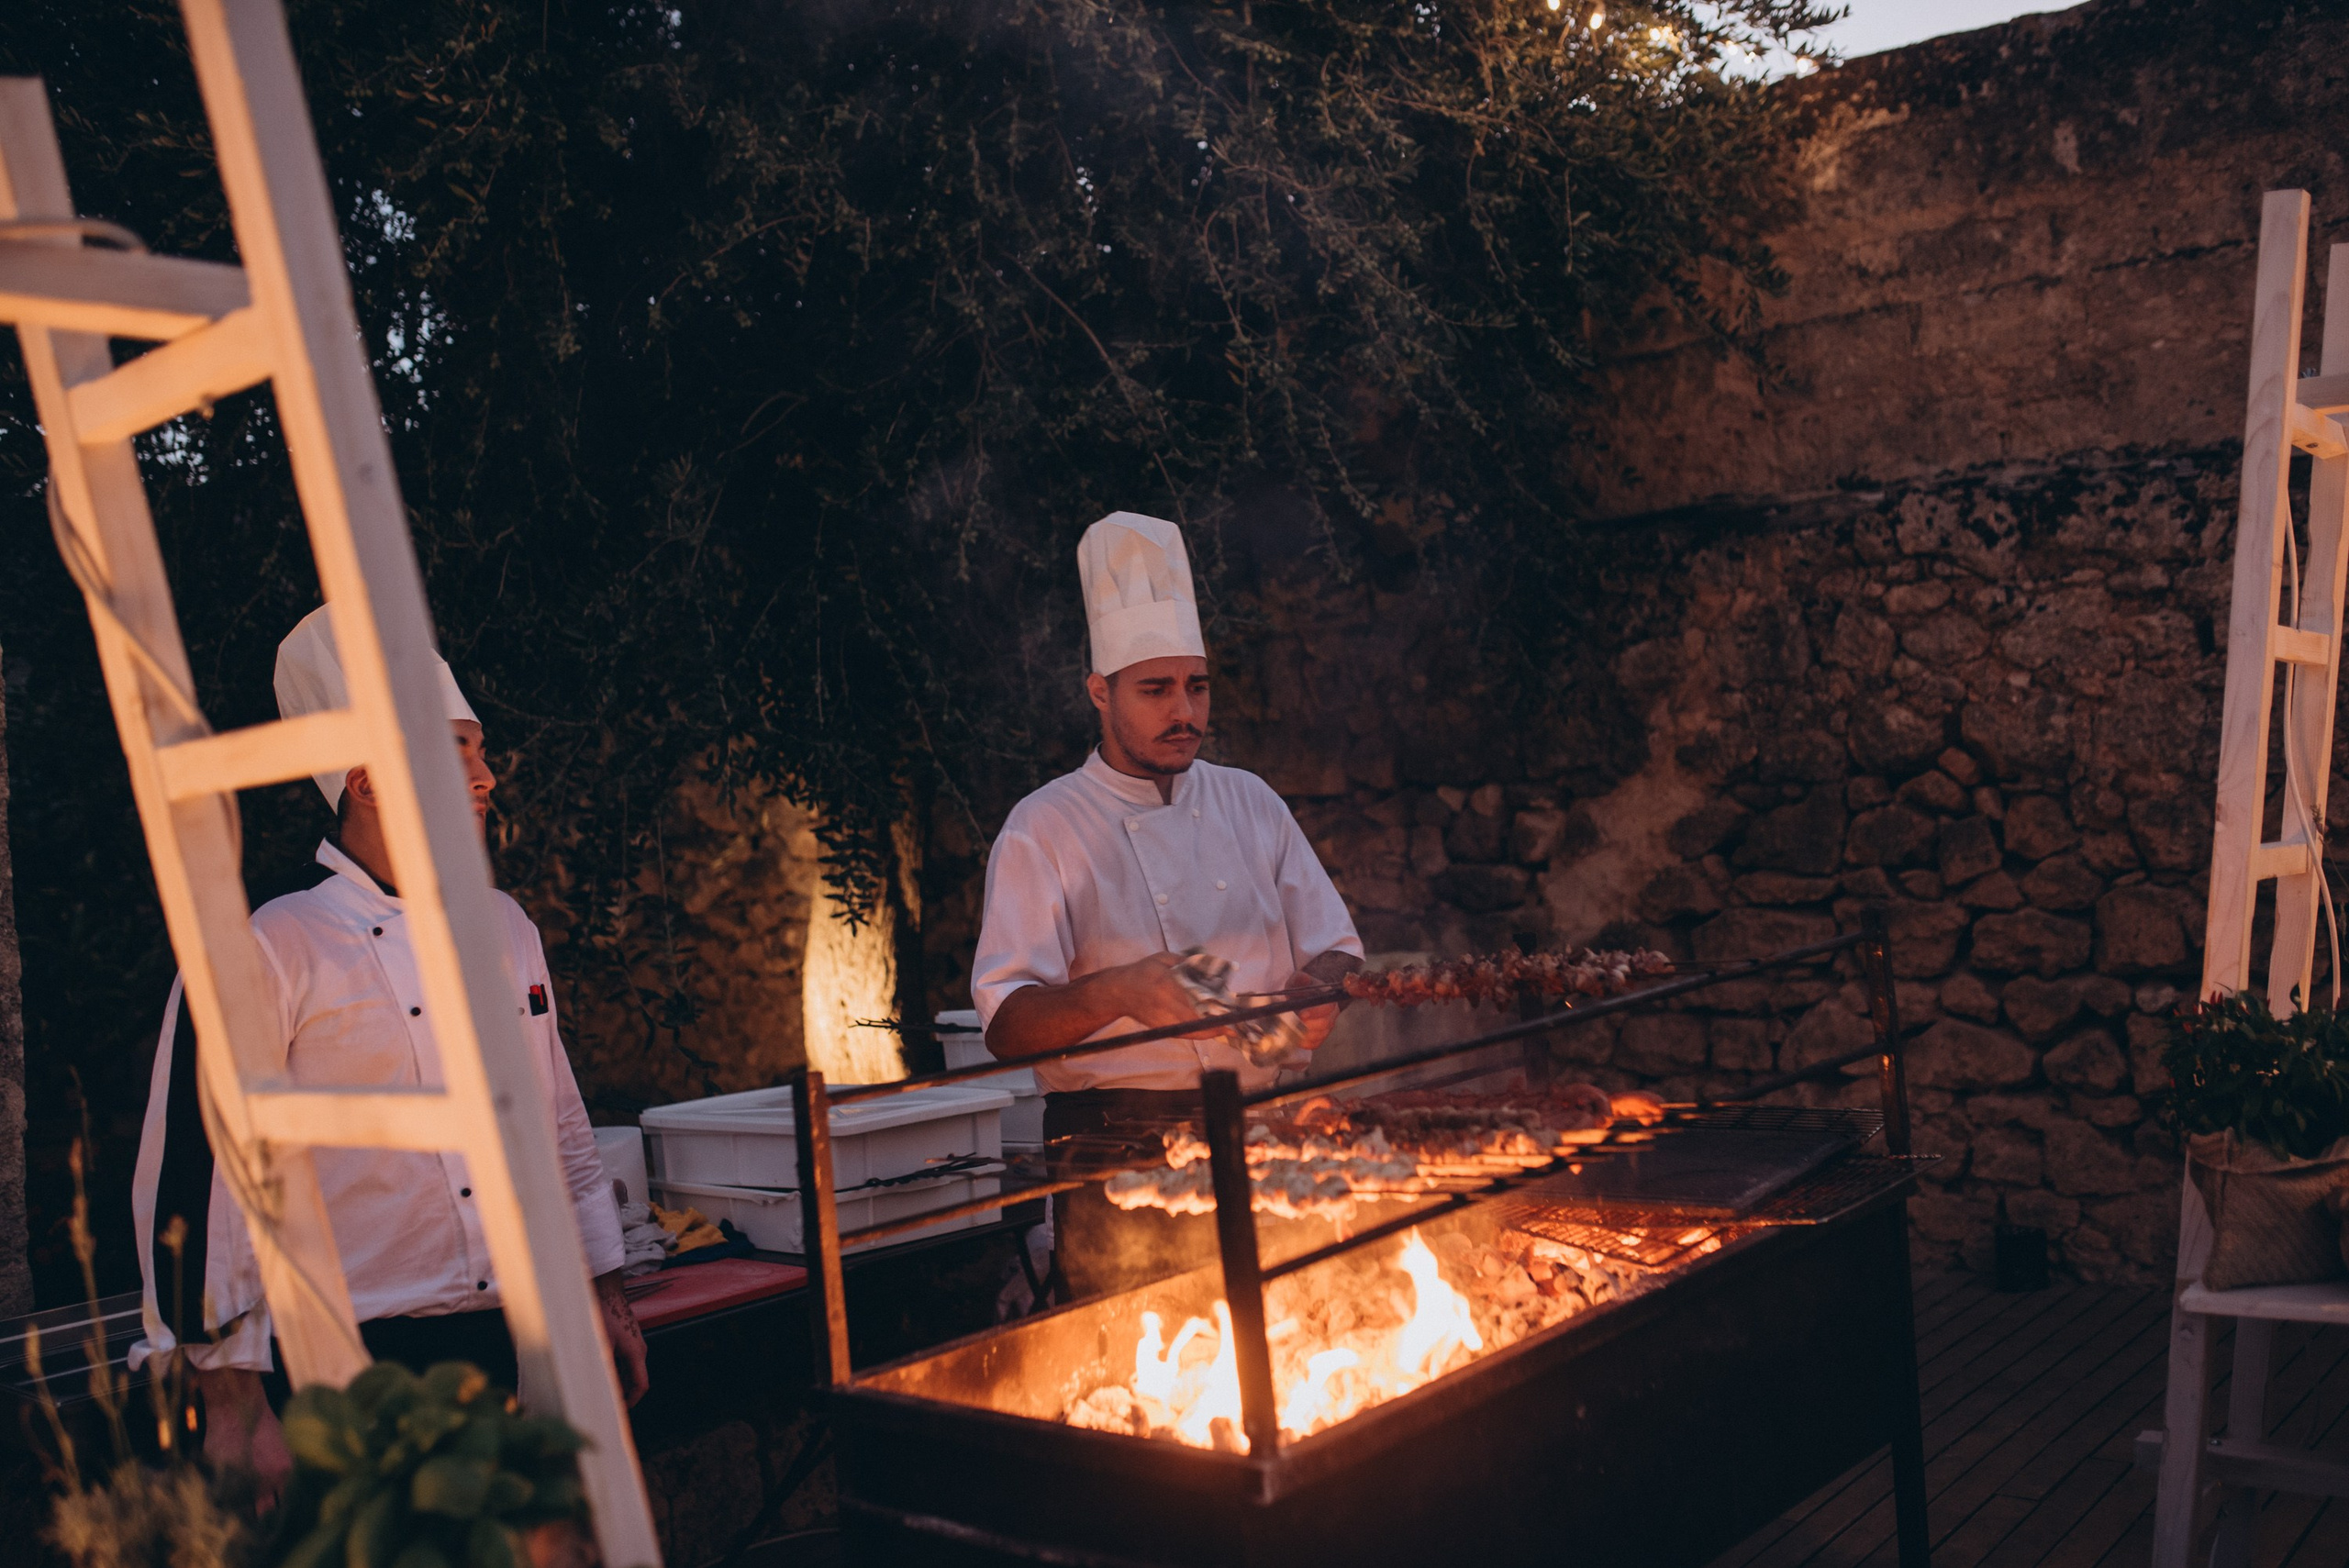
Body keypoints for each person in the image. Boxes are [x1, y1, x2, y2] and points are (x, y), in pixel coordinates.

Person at [128, 606, 646, 1502]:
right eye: (460, 751)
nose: (488, 777)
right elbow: (200, 1181)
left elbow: (558, 1123)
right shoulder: (270, 945)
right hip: (338, 1367)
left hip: (500, 1347)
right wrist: (234, 1399)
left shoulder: (508, 929)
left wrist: (601, 1289)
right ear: (368, 779)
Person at [972, 513, 1364, 1298]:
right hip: (1117, 1149)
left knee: (1291, 1327)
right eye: (1155, 689)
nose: (1184, 711)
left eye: (1196, 685)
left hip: (1264, 1129)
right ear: (1100, 691)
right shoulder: (1043, 828)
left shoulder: (1250, 802)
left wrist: (1319, 990)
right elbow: (1007, 1024)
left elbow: (1339, 948)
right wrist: (1117, 991)